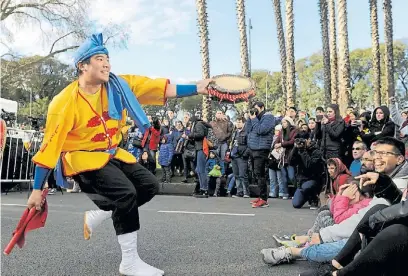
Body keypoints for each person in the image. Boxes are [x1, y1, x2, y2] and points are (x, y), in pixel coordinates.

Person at [26, 33, 211, 276]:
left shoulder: (118, 85)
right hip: (82, 159)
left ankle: (103, 211)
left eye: (108, 59)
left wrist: (198, 87)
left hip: (112, 153)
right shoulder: (63, 103)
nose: (107, 64)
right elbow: (48, 149)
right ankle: (129, 262)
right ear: (83, 66)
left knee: (150, 185)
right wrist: (37, 189)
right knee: (125, 194)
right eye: (100, 59)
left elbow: (159, 88)